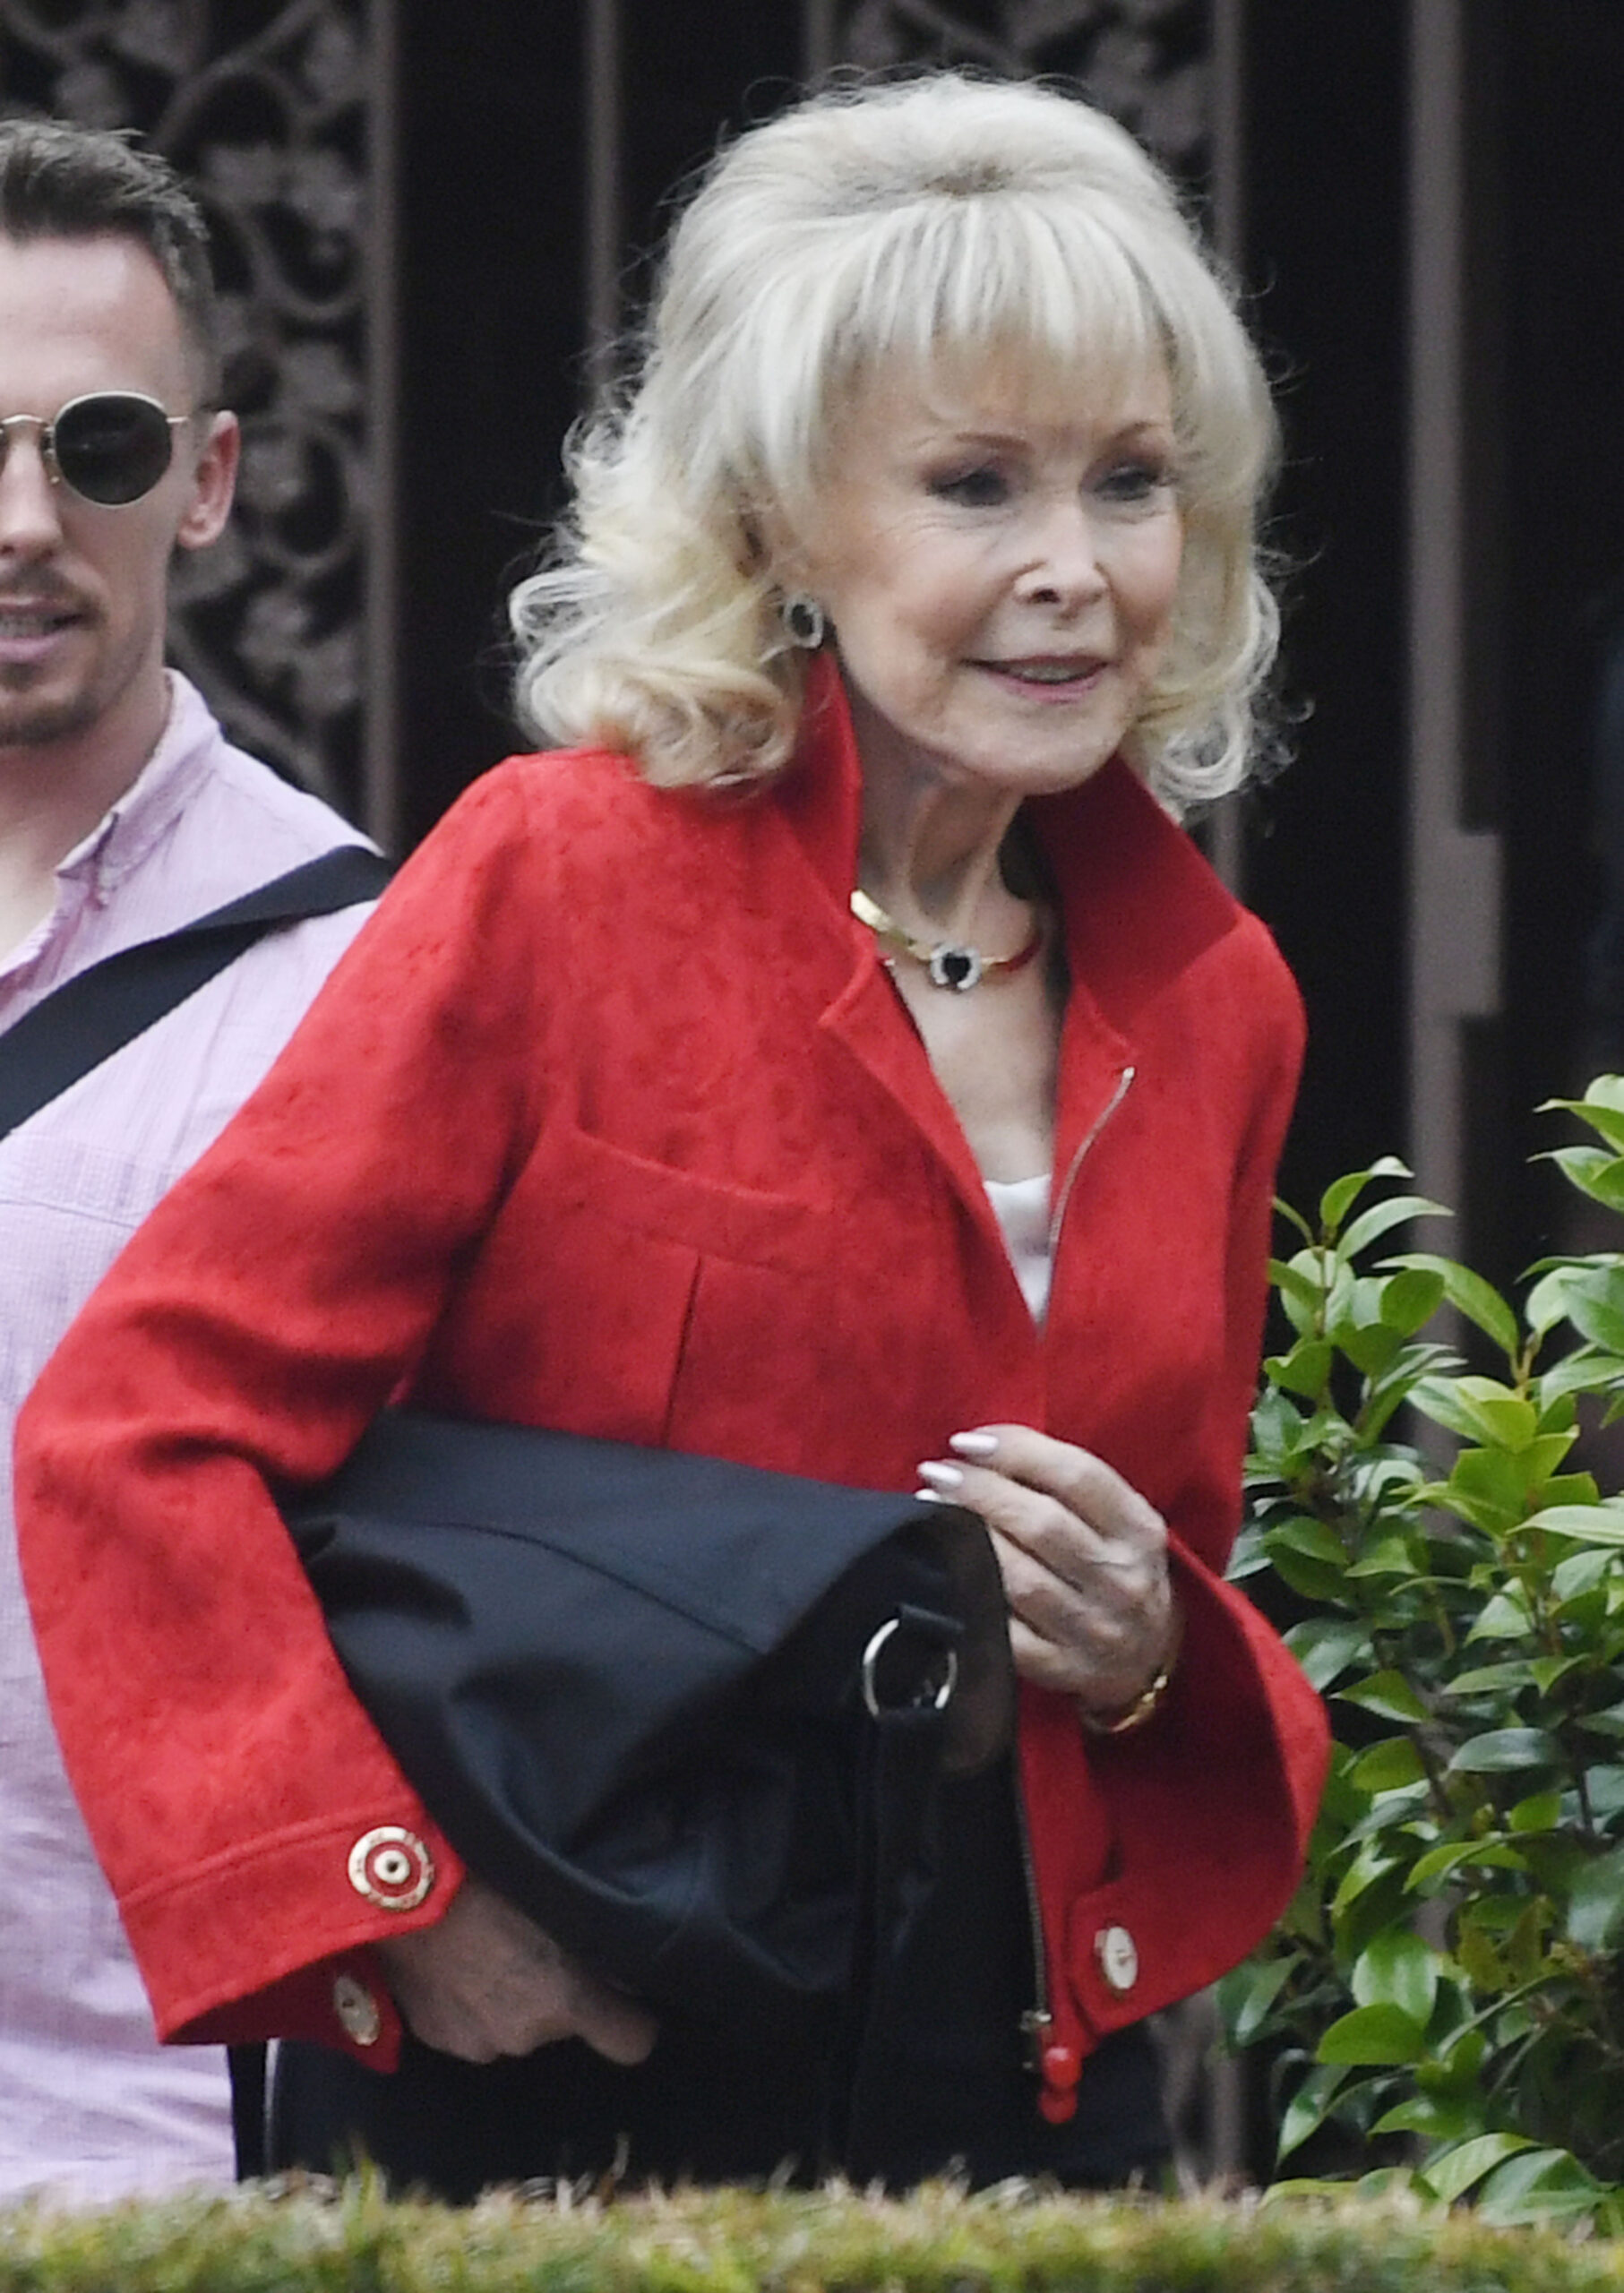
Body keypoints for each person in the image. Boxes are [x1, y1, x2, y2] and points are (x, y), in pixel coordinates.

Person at [15, 73, 1330, 2200]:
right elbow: (134, 1437)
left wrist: (1161, 1641)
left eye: (1131, 482)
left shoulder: (1219, 1001)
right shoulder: (561, 879)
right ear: (785, 516)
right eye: (976, 484)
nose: (1073, 570)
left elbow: (1149, 1560)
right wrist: (401, 1913)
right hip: (561, 2078)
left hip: (1015, 2091)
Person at [0, 117, 382, 2203]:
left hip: (177, 2166)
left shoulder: (372, 980)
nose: (25, 520)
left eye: (104, 447)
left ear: (211, 480)